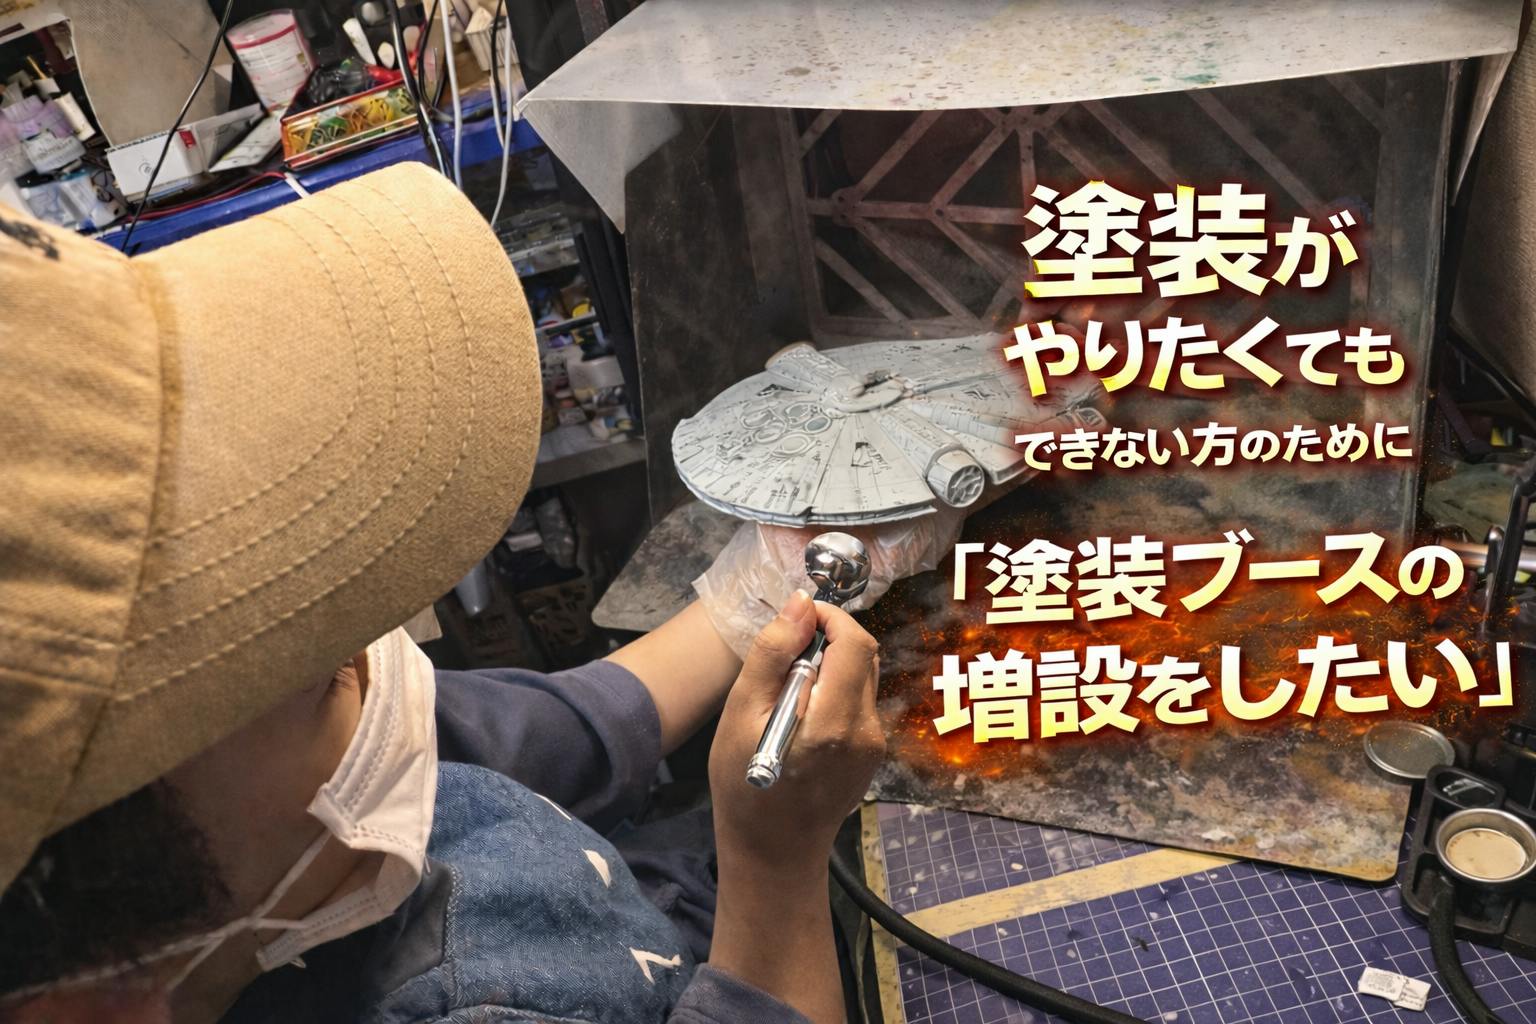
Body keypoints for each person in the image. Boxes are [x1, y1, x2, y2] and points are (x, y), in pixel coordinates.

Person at [0, 164, 954, 1024]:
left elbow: (566, 731)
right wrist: (775, 863)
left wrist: (751, 595)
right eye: (318, 672)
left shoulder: (326, 788)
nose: (370, 651)